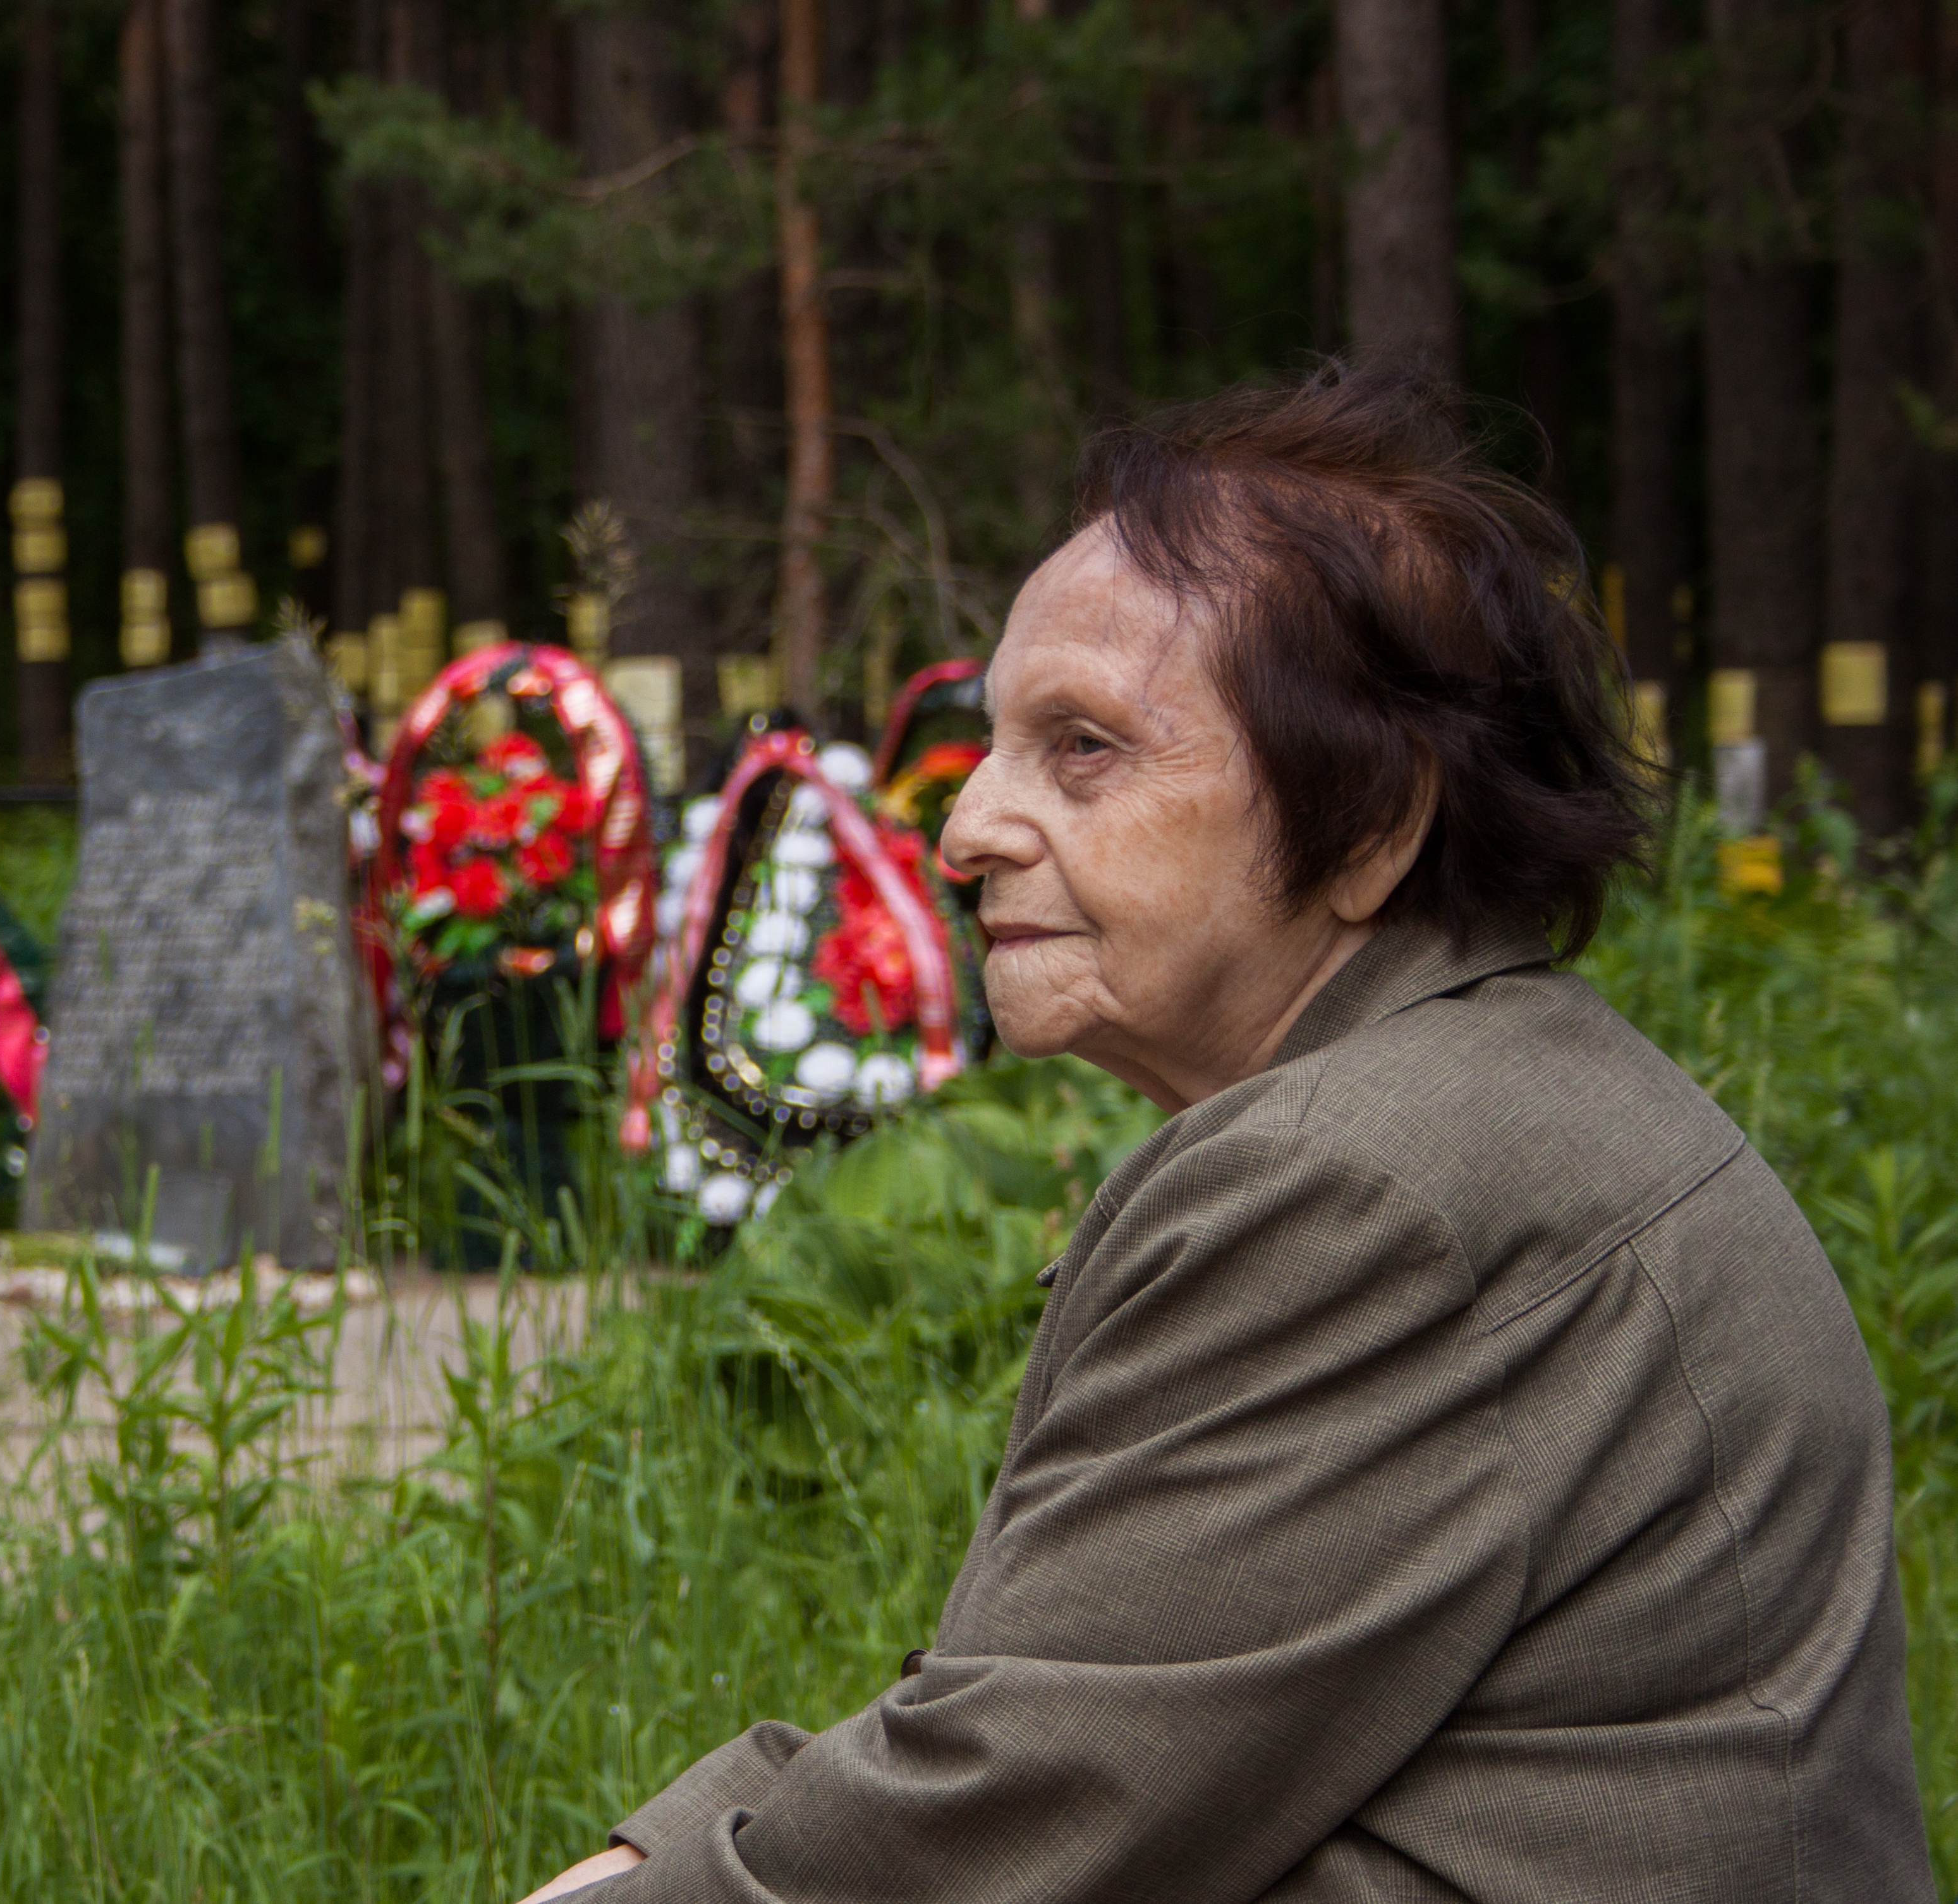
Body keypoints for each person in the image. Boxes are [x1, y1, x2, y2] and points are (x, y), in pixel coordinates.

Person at [521, 366, 1933, 1903]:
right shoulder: (1468, 1093)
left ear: (1374, 817)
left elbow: (991, 1826)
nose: (963, 830)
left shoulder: (1361, 1185)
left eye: (1082, 749)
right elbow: (1064, 1717)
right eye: (994, 743)